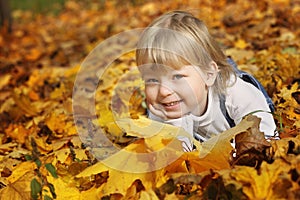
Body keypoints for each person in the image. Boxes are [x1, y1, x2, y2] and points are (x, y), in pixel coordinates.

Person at [135, 10, 277, 151]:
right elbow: (174, 159)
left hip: (237, 119)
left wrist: (218, 157)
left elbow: (265, 140)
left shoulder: (237, 94)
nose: (163, 91)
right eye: (152, 80)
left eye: (177, 77)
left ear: (208, 75)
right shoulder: (161, 108)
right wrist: (174, 123)